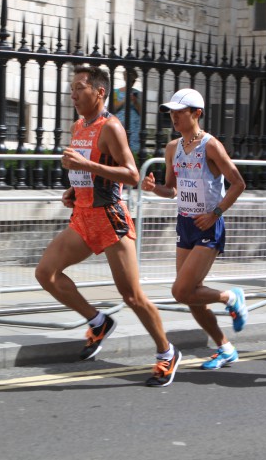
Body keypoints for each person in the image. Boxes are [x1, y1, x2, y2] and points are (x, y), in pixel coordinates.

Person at [34, 65, 181, 387]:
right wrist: (76, 188)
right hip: (83, 217)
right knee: (46, 273)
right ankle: (97, 321)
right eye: (71, 88)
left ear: (99, 92)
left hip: (110, 218)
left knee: (132, 296)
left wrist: (85, 165)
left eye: (79, 88)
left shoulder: (111, 127)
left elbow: (131, 175)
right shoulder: (78, 126)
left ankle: (166, 352)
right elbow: (93, 172)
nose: (73, 94)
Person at [140, 88, 249, 370]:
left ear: (196, 113)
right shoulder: (172, 148)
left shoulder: (211, 146)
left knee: (181, 290)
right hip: (185, 223)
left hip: (208, 225)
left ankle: (230, 296)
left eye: (180, 112)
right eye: (171, 113)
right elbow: (172, 189)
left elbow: (238, 183)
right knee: (191, 295)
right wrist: (155, 189)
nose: (174, 117)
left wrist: (215, 214)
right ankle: (225, 348)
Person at [112, 67, 141, 152]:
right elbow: (113, 108)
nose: (132, 83)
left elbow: (141, 112)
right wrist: (125, 100)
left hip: (134, 127)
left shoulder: (137, 93)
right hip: (120, 124)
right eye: (131, 80)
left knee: (133, 149)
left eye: (134, 81)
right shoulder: (116, 92)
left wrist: (135, 102)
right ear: (125, 78)